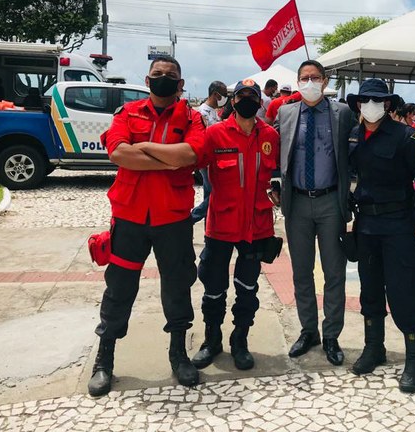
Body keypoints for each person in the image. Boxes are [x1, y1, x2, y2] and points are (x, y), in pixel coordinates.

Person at [88, 56, 206, 396]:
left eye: (170, 75)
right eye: (158, 74)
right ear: (147, 79)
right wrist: (168, 159)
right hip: (130, 217)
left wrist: (143, 148)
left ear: (180, 84)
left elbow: (190, 155)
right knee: (119, 287)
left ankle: (178, 354)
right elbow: (118, 154)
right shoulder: (127, 113)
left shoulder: (193, 118)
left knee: (178, 285)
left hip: (173, 219)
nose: (163, 78)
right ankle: (104, 360)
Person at [346, 78, 415, 393]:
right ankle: (374, 347)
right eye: (365, 100)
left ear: (388, 104)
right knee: (369, 290)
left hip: (398, 225)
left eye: (377, 100)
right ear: (358, 104)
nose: (371, 106)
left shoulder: (407, 136)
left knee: (404, 292)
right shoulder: (354, 135)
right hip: (366, 224)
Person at [192, 79, 280, 371]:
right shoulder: (215, 133)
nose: (246, 101)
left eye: (252, 97)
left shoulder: (270, 136)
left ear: (259, 102)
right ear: (232, 101)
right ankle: (212, 340)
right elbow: (193, 164)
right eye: (241, 96)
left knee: (247, 287)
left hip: (256, 226)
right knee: (213, 287)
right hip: (221, 225)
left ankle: (240, 340)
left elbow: (278, 174)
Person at [277, 60, 356, 366]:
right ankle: (308, 330)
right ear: (298, 81)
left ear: (324, 81)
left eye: (314, 77)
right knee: (301, 271)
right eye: (304, 77)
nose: (309, 82)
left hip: (330, 202)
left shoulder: (341, 113)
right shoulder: (286, 113)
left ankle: (331, 335)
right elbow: (275, 151)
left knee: (334, 272)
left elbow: (353, 151)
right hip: (297, 203)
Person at [191, 81, 228, 224]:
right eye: (224, 95)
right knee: (214, 194)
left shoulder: (213, 111)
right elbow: (204, 136)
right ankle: (192, 218)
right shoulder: (202, 112)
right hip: (207, 159)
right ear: (215, 94)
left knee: (209, 193)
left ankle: (209, 228)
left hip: (215, 158)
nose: (225, 98)